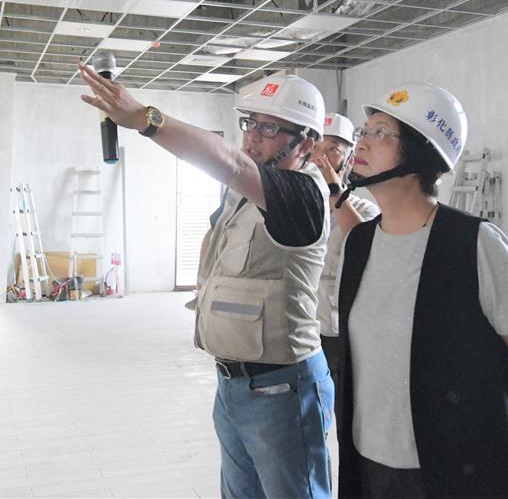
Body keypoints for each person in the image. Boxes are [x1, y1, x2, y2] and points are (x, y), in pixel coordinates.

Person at [78, 65, 334, 498]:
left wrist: (145, 119)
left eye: (270, 128)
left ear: (305, 143)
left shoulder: (303, 196)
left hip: (282, 387)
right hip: (232, 384)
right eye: (250, 123)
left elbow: (230, 162)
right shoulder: (242, 193)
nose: (252, 137)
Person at [334, 83, 508, 498]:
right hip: (370, 464)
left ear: (420, 154)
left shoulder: (475, 243)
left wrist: (469, 425)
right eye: (364, 131)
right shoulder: (359, 243)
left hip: (455, 470)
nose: (361, 142)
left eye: (381, 133)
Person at [310, 112, 378, 385]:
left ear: (349, 160)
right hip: (300, 329)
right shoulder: (296, 206)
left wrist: (334, 190)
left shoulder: (363, 209)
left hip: (339, 333)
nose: (320, 158)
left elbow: (364, 241)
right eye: (315, 148)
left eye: (332, 150)